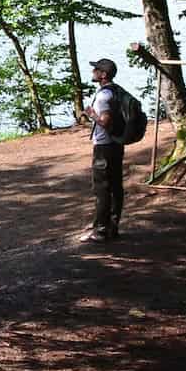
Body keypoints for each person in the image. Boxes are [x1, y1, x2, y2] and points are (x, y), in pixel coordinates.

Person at [83, 57, 124, 242]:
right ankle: (112, 227)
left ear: (103, 74)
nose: (93, 72)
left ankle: (100, 231)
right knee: (115, 186)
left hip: (104, 147)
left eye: (96, 70)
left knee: (102, 189)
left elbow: (105, 121)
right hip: (116, 145)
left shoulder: (103, 96)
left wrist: (92, 115)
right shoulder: (116, 91)